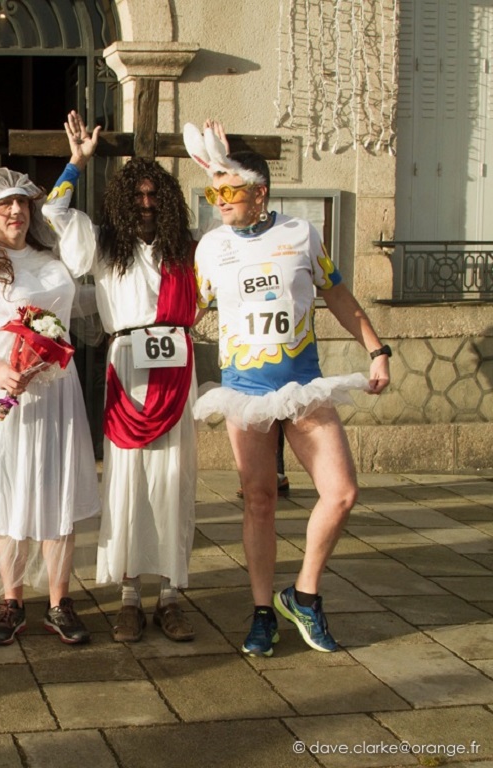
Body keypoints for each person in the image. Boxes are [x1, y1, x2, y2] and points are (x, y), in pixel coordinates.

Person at [185, 120, 391, 657]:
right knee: (259, 500)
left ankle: (303, 595)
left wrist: (377, 348)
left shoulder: (300, 234)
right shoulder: (209, 248)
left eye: (231, 190)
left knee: (341, 492)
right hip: (244, 391)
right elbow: (188, 311)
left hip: (302, 387)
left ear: (261, 193)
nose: (220, 200)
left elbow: (339, 296)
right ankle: (260, 613)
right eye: (214, 191)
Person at [43, 111, 199, 644]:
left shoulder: (187, 251)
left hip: (177, 368)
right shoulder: (106, 246)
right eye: (139, 197)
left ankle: (171, 597)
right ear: (125, 201)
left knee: (175, 482)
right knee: (129, 483)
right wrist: (77, 162)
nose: (148, 205)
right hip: (128, 368)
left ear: (170, 202)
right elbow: (54, 211)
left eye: (157, 197)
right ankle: (130, 598)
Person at [0, 168, 100, 646]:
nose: (15, 212)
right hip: (7, 396)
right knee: (8, 492)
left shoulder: (51, 260)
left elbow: (77, 301)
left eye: (21, 204)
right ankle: (11, 600)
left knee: (57, 491)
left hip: (57, 395)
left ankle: (58, 601)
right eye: (3, 206)